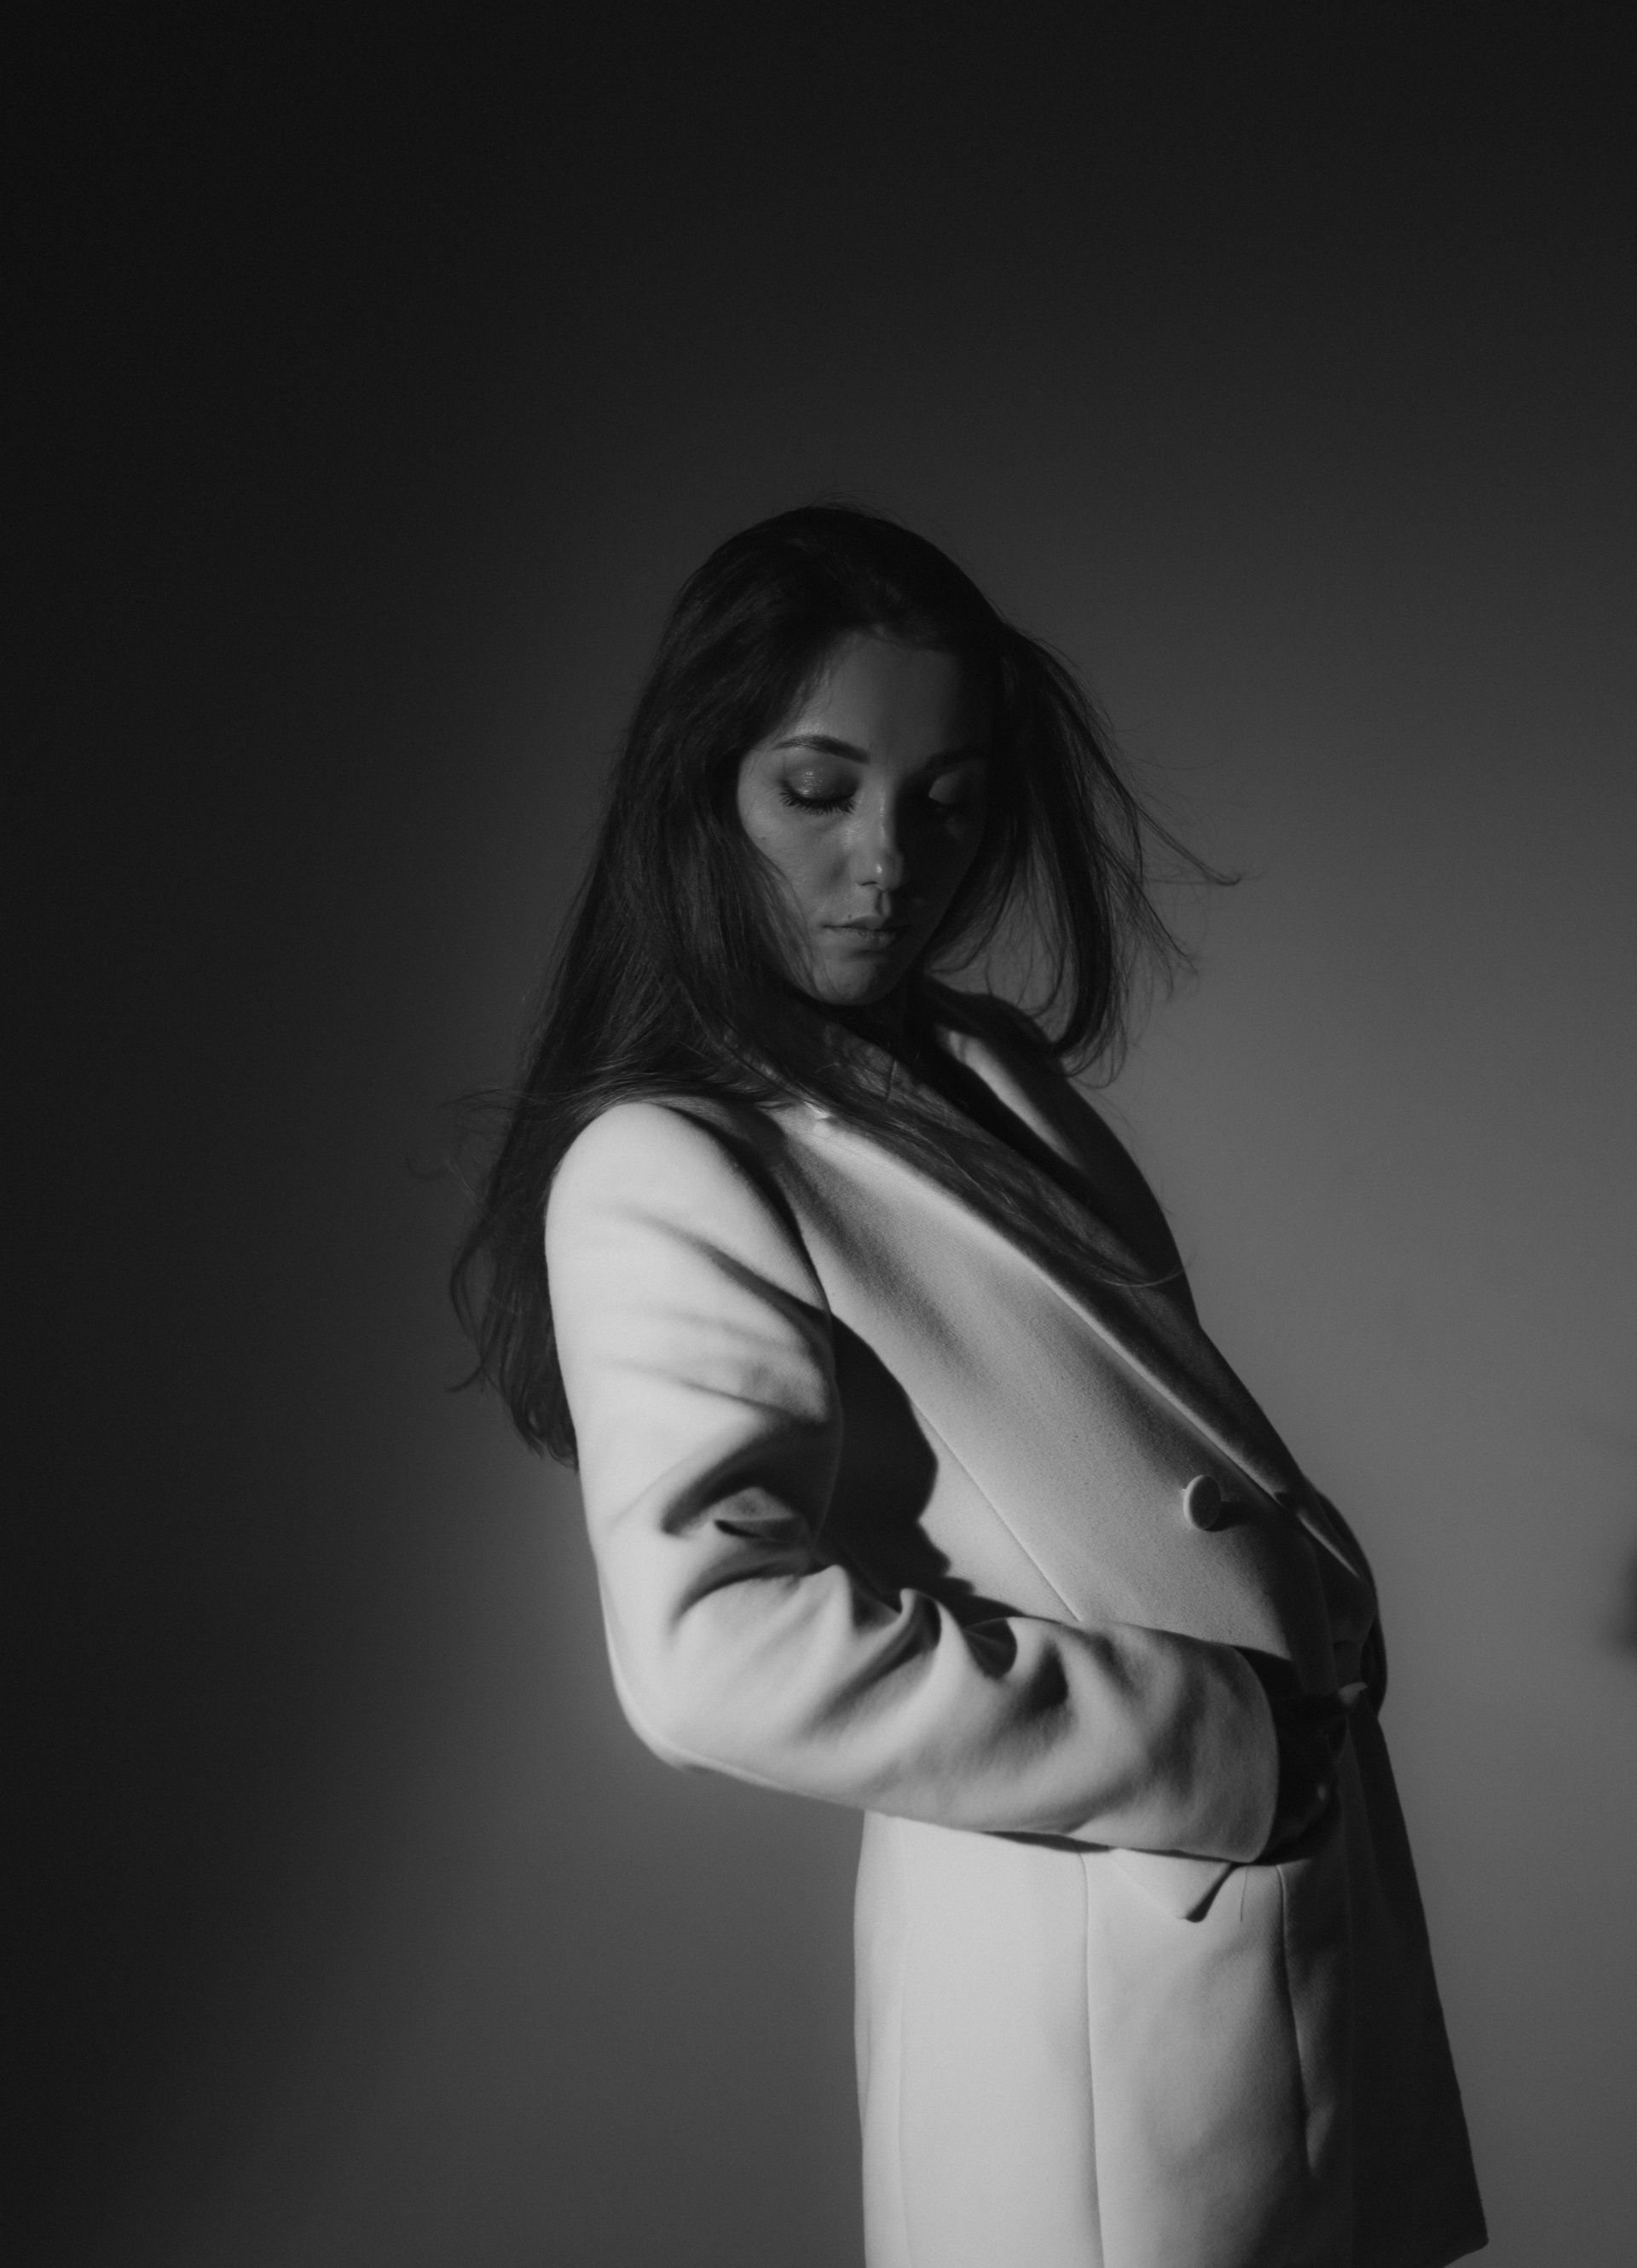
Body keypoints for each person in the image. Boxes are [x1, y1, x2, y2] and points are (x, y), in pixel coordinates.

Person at [454, 505, 1487, 2268]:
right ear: (702, 789)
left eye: (945, 799)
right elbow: (709, 1651)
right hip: (1091, 1990)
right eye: (818, 789)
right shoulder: (666, 1160)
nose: (888, 861)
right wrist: (1218, 1745)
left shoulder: (979, 1067)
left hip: (1252, 1930)